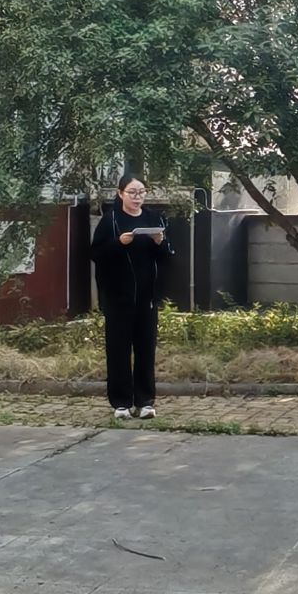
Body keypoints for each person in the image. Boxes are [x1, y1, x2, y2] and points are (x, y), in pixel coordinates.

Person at [90, 173, 171, 420]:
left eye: (141, 192)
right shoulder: (111, 220)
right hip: (118, 298)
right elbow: (96, 254)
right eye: (132, 192)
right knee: (118, 351)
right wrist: (119, 243)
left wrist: (160, 242)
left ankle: (145, 401)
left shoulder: (154, 218)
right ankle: (121, 403)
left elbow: (167, 256)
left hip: (147, 298)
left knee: (146, 350)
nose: (137, 197)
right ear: (120, 193)